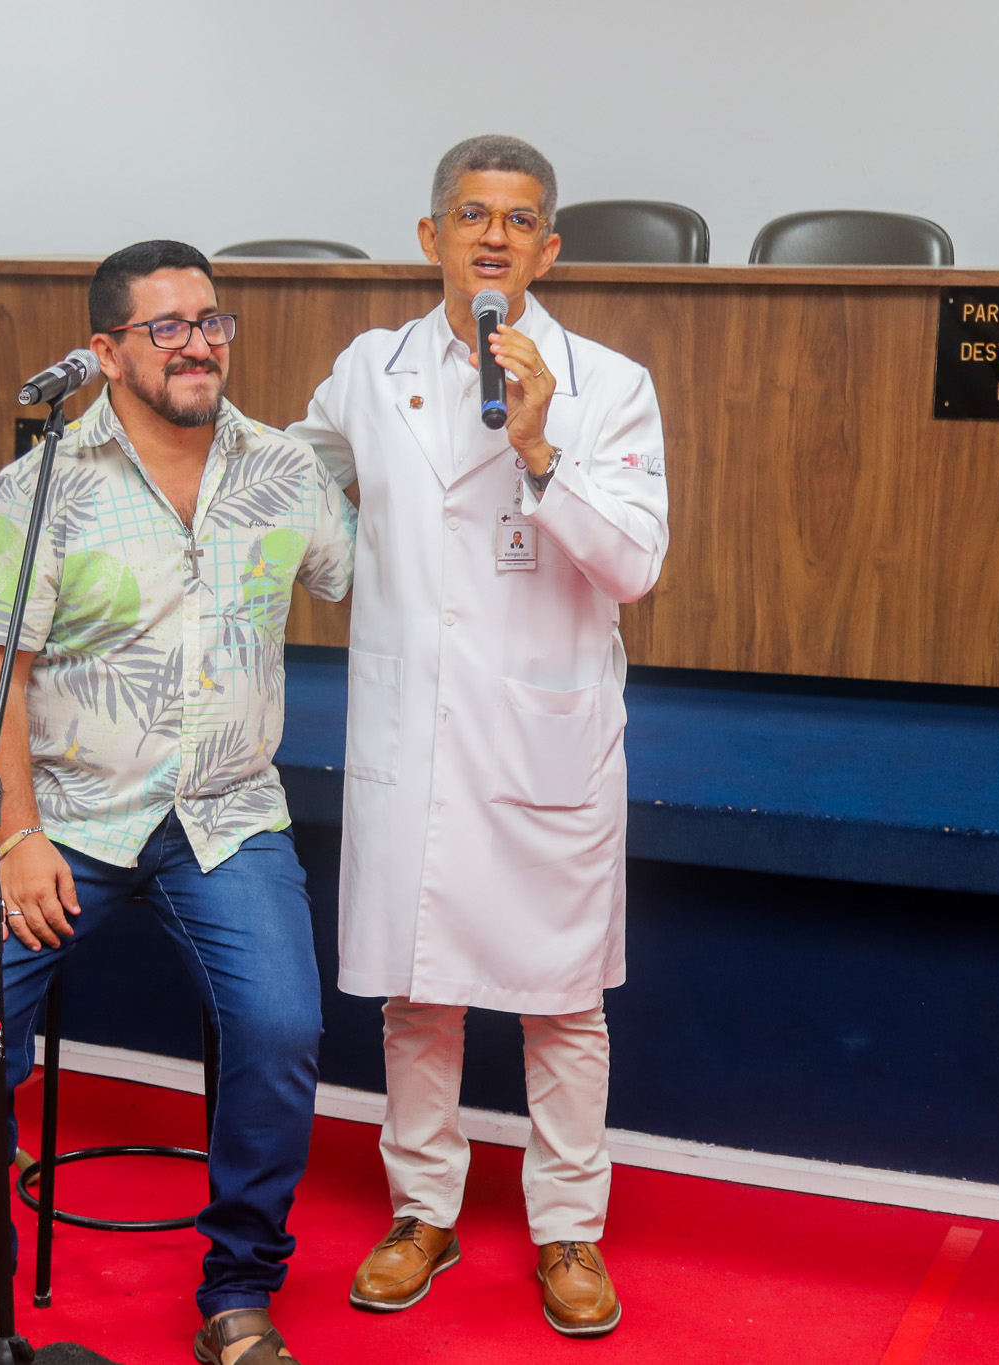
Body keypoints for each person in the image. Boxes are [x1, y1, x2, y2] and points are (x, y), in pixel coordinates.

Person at [0, 240, 356, 1365]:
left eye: (211, 321)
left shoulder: (283, 469)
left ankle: (238, 1287)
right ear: (104, 352)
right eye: (167, 327)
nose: (199, 345)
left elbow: (368, 580)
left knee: (282, 1028)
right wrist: (17, 834)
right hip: (71, 822)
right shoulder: (44, 482)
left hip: (226, 816)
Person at [288, 135, 669, 1338]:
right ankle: (422, 1212)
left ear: (547, 249)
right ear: (430, 237)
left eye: (515, 220)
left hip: (541, 734)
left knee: (562, 1003)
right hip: (413, 732)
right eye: (469, 215)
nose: (491, 236)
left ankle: (567, 1229)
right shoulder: (370, 368)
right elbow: (296, 480)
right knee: (416, 996)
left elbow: (634, 564)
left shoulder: (607, 383)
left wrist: (540, 449)